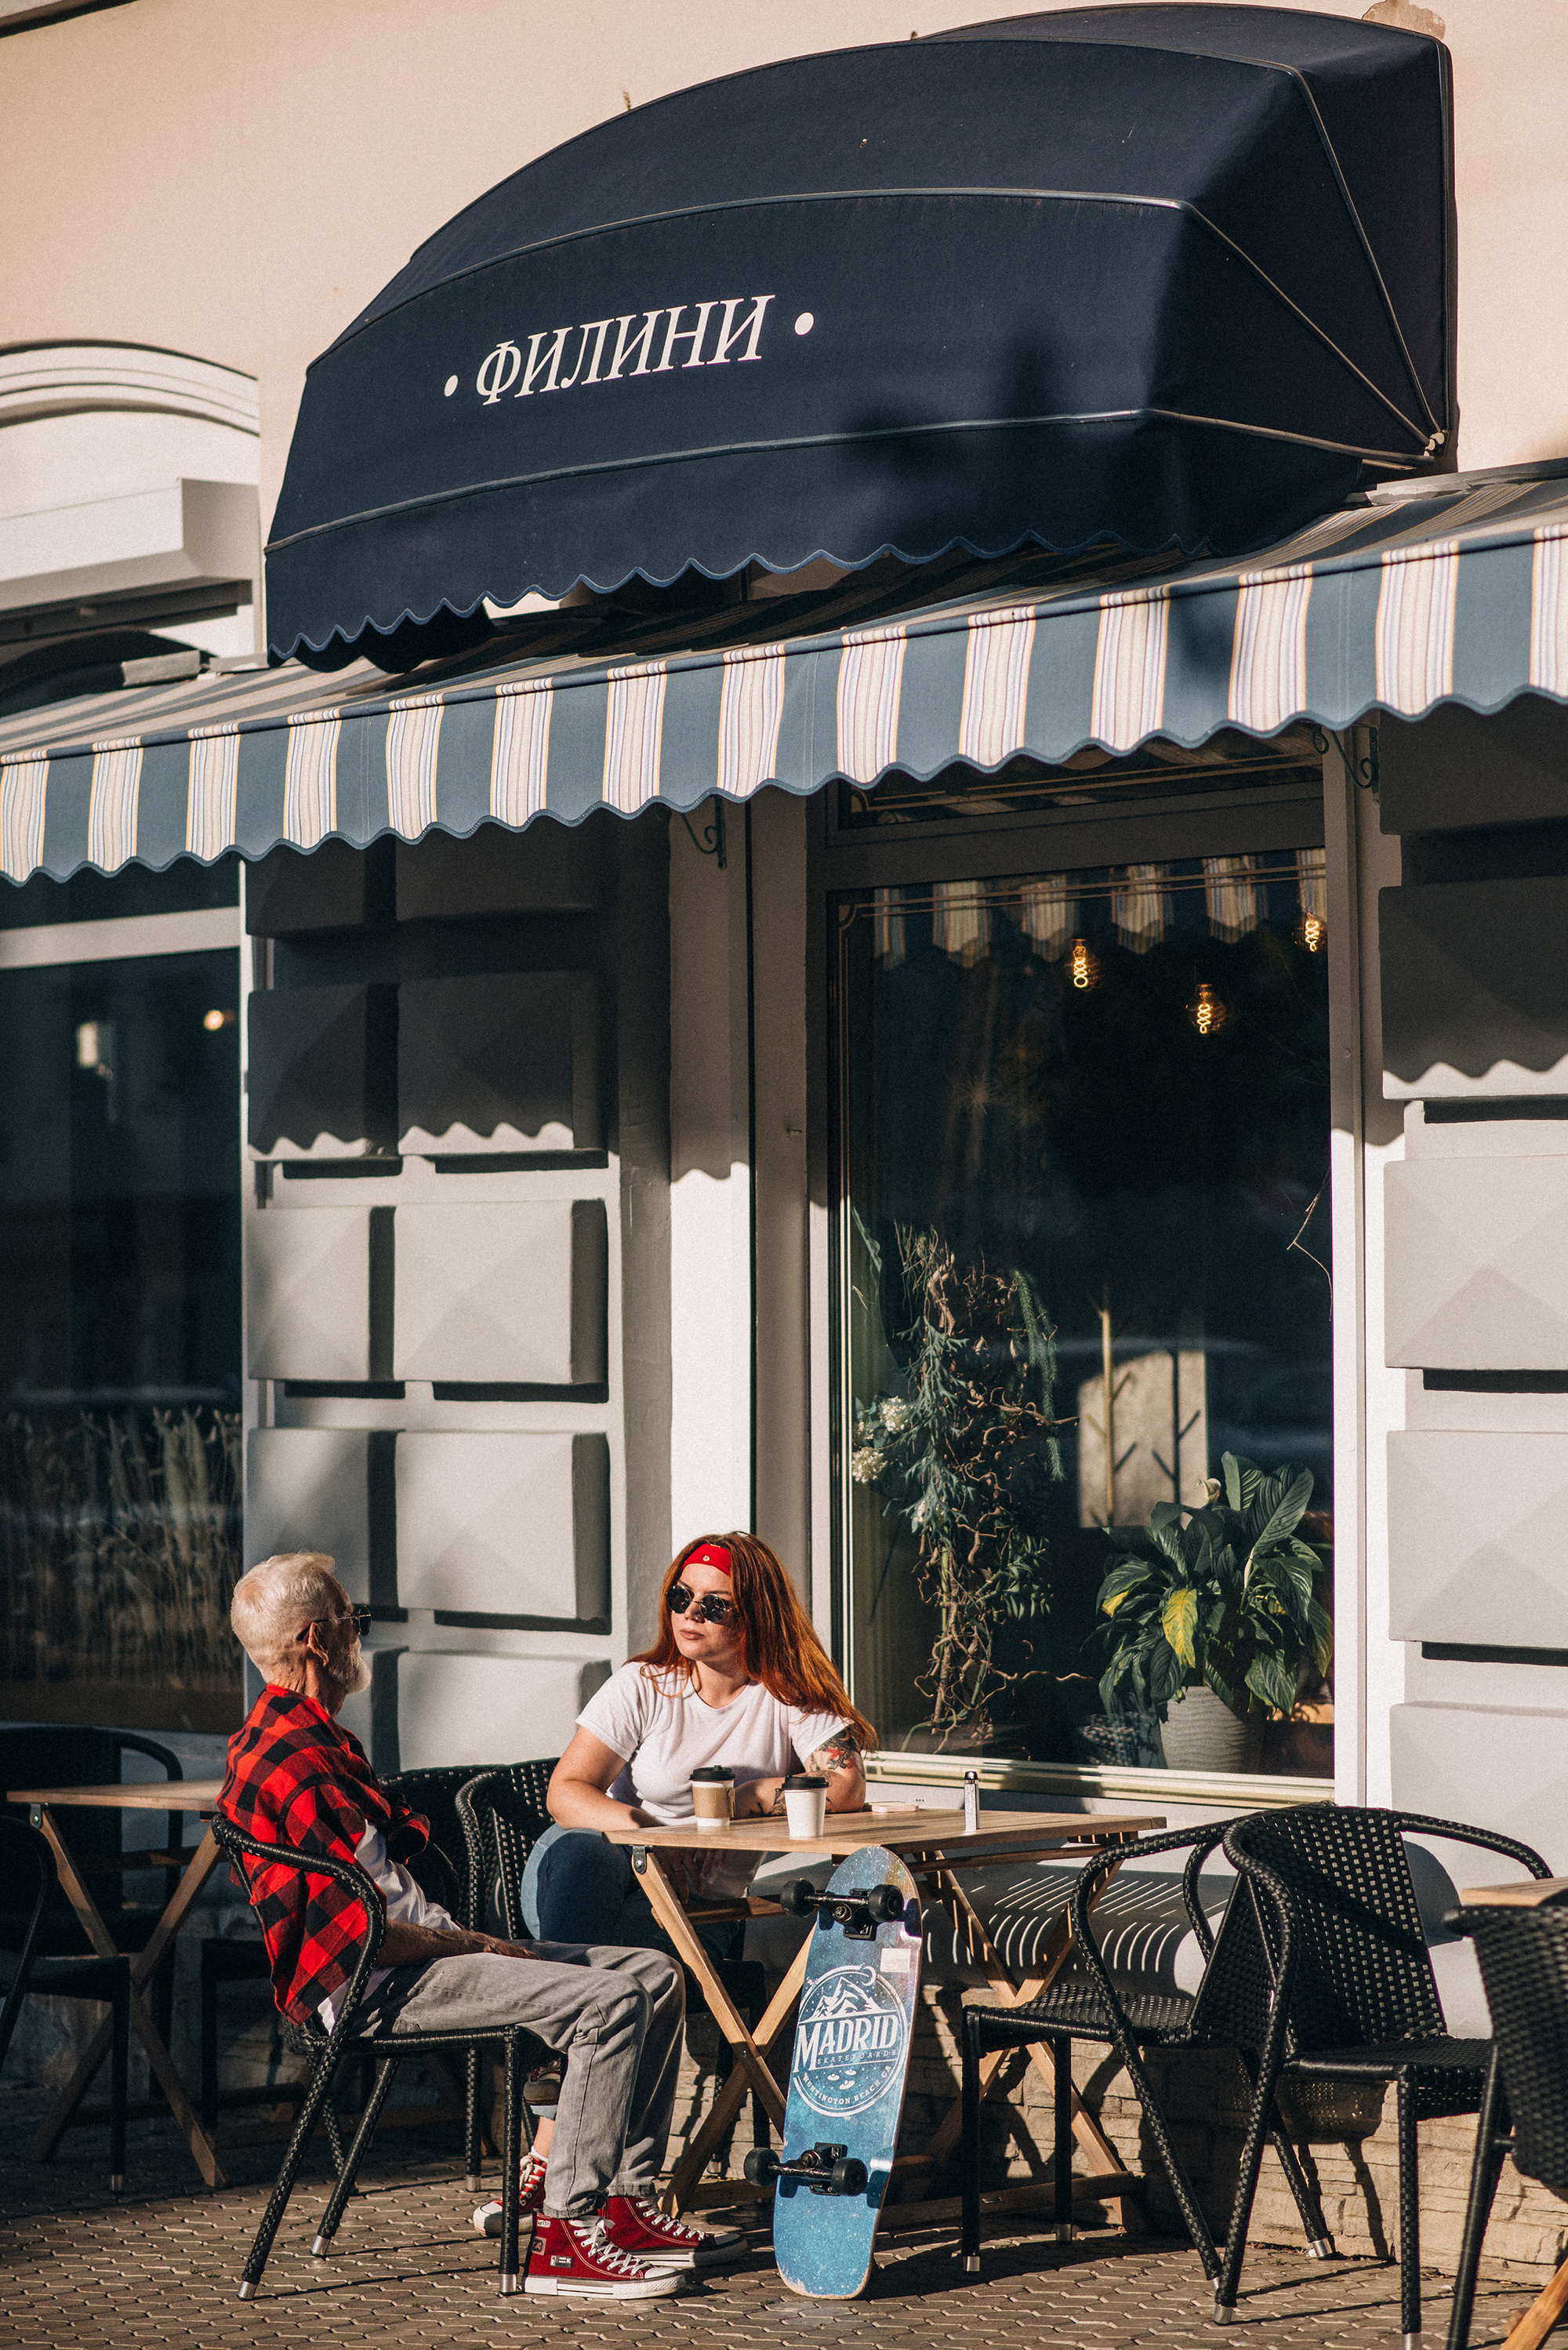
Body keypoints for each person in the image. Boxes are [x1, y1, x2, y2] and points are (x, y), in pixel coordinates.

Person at [219, 1550, 742, 2298]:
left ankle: (623, 2206)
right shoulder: (291, 1758)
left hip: (418, 1957)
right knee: (609, 2001)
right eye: (352, 1619)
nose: (359, 1634)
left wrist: (468, 1939)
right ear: (316, 1639)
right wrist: (471, 1940)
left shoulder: (312, 1736)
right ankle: (567, 2235)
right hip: (381, 1981)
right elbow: (363, 1937)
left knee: (653, 1974)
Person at [524, 1533, 877, 1952]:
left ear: (757, 1616)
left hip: (701, 1901)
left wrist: (749, 1795)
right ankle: (565, 1988)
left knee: (644, 1954)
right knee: (584, 1857)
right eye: (681, 1596)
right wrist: (655, 1838)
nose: (691, 1612)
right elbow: (565, 1793)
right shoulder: (643, 1684)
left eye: (715, 1605)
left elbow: (847, 1785)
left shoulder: (788, 1694)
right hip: (599, 1872)